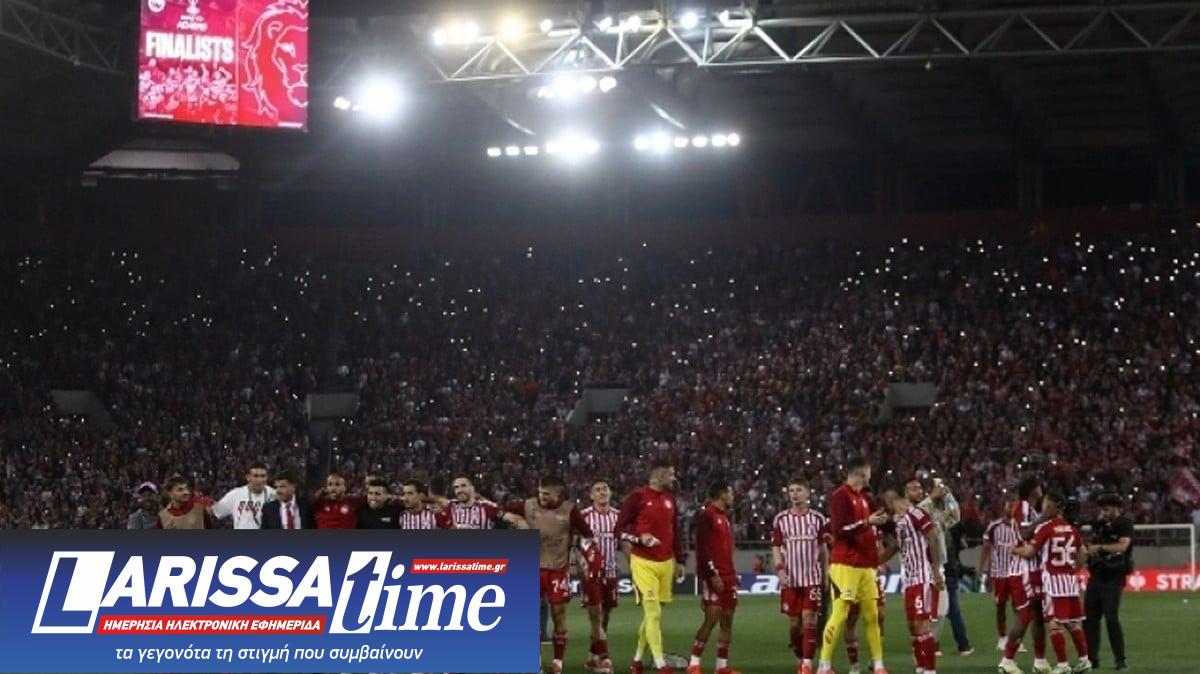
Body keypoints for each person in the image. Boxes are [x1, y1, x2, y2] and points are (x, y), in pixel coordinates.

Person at [503, 476, 602, 674]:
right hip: (532, 569)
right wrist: (513, 518)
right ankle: (535, 660)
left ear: (558, 493)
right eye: (540, 492)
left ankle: (557, 661)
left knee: (559, 614)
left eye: (547, 494)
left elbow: (588, 534)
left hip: (558, 569)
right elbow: (498, 510)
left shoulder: (570, 510)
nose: (542, 496)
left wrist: (581, 551)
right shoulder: (527, 505)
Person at [818, 456, 889, 674]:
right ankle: (824, 666)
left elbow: (878, 522)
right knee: (840, 614)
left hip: (867, 566)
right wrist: (868, 522)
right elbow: (840, 531)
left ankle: (878, 665)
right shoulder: (840, 496)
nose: (870, 476)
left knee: (872, 616)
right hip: (845, 565)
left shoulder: (865, 498)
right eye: (868, 472)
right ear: (860, 473)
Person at [616, 460, 687, 674]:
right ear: (659, 476)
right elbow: (619, 529)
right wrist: (639, 538)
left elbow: (675, 531)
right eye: (670, 474)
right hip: (643, 562)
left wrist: (680, 560)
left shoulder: (670, 499)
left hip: (665, 562)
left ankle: (637, 661)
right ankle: (660, 663)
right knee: (653, 613)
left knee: (652, 616)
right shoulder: (637, 497)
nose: (674, 478)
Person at [1013, 492, 1091, 674]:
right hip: (1070, 582)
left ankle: (1062, 665)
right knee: (1072, 623)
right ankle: (1084, 660)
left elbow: (1030, 552)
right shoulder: (1071, 528)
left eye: (1045, 503)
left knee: (1054, 623)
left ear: (1051, 505)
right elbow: (1083, 553)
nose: (1043, 507)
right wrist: (1074, 569)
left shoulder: (1046, 528)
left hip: (1053, 582)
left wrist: (1015, 550)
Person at [881, 485, 943, 674]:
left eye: (886, 503)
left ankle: (930, 670)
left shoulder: (916, 514)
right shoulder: (899, 522)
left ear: (891, 500)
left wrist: (936, 570)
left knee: (921, 625)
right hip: (908, 581)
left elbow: (932, 538)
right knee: (912, 627)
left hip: (923, 577)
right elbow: (895, 548)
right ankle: (920, 667)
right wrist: (873, 562)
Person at [771, 477, 830, 674]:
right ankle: (799, 656)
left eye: (798, 490)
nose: (794, 494)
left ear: (807, 493)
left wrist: (826, 573)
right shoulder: (781, 519)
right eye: (791, 491)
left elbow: (823, 550)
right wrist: (780, 570)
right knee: (795, 625)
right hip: (790, 580)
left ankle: (807, 665)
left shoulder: (818, 519)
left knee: (809, 620)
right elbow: (776, 547)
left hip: (812, 578)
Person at [911, 477, 970, 656]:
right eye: (914, 489)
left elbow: (955, 517)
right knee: (924, 610)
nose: (919, 491)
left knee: (941, 611)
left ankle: (930, 643)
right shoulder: (915, 512)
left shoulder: (936, 515)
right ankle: (923, 646)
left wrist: (949, 496)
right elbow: (917, 512)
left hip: (939, 566)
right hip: (922, 567)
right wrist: (931, 497)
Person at [688, 480, 741, 674]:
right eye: (731, 493)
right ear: (722, 494)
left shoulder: (724, 517)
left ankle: (721, 667)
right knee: (711, 618)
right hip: (715, 576)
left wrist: (733, 574)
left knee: (727, 619)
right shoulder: (707, 515)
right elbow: (703, 549)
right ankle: (694, 664)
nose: (733, 496)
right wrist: (712, 574)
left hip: (728, 576)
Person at [999, 477, 1050, 674]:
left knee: (1038, 615)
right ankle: (1007, 660)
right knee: (1026, 613)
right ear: (1033, 489)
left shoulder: (1032, 510)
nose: (1041, 489)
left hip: (1033, 568)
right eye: (1039, 486)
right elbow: (1025, 533)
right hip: (1023, 570)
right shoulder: (1023, 507)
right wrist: (1045, 518)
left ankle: (1040, 660)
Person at [1083, 493, 1133, 671]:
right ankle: (1091, 658)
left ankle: (1120, 659)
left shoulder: (1124, 524)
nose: (1103, 513)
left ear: (1117, 508)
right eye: (1102, 509)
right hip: (1096, 574)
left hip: (1114, 576)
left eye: (1107, 509)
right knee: (1089, 618)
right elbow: (1091, 545)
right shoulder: (1099, 525)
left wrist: (1100, 548)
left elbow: (1123, 546)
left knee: (1111, 617)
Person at [580, 478, 621, 674]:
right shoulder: (584, 516)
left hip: (611, 573)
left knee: (605, 617)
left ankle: (592, 657)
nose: (602, 492)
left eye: (605, 488)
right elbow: (574, 542)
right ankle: (605, 658)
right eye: (597, 489)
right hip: (591, 574)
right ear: (591, 495)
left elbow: (625, 541)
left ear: (610, 493)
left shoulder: (618, 517)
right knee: (596, 614)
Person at [982, 500, 1020, 652]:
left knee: (1018, 606)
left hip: (1016, 571)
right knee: (1001, 606)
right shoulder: (994, 526)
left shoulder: (1020, 527)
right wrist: (981, 568)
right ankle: (1002, 637)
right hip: (999, 573)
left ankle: (1017, 639)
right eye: (1010, 506)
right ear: (1004, 507)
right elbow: (986, 547)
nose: (1012, 509)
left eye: (1014, 506)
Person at [211, 462, 276, 530]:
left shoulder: (274, 495)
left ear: (267, 477)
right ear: (248, 477)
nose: (259, 480)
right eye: (255, 476)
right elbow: (215, 512)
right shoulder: (236, 494)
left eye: (263, 476)